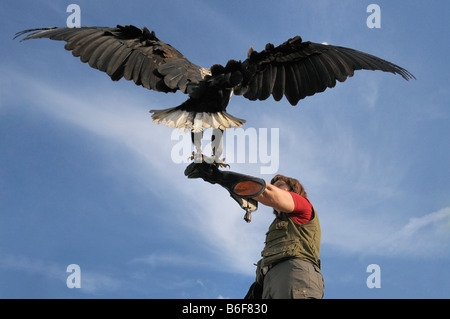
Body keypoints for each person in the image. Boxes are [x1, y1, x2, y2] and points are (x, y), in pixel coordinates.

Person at [184, 162, 324, 299]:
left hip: (294, 275)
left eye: (280, 186)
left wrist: (218, 176)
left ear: (294, 190)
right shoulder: (278, 224)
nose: (275, 188)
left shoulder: (304, 207)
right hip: (269, 281)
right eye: (274, 186)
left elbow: (266, 191)